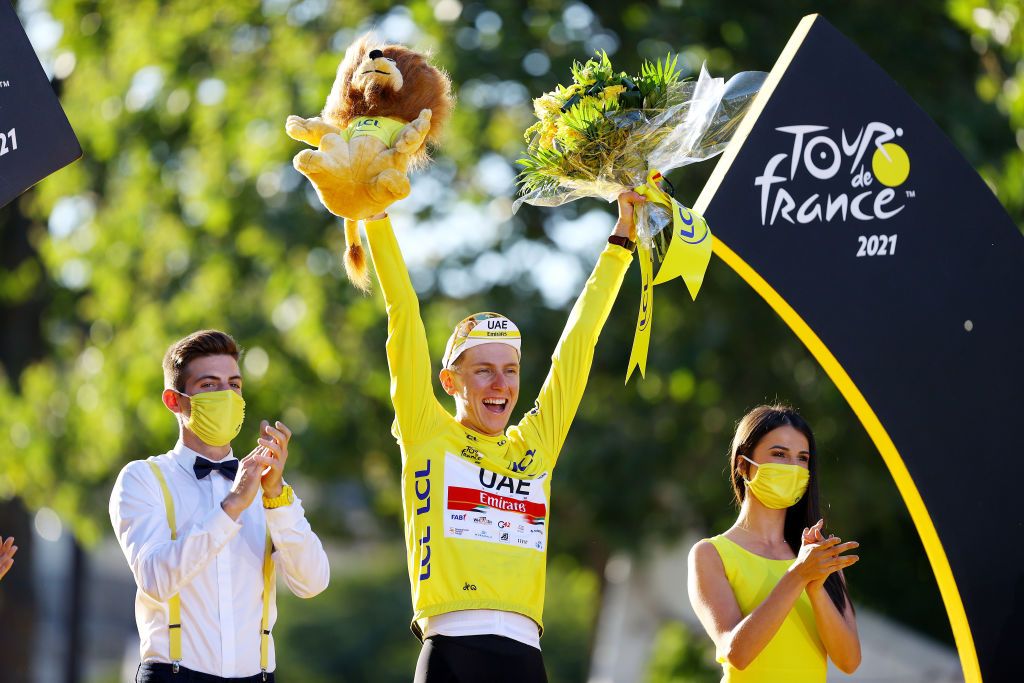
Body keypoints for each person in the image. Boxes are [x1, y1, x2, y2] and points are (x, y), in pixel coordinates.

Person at [359, 191, 644, 683]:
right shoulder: (427, 431)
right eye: (484, 371)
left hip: (525, 653)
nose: (500, 386)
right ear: (450, 382)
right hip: (450, 647)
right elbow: (402, 314)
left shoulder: (534, 445)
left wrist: (620, 243)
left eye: (510, 371)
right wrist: (376, 217)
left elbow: (579, 343)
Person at [109, 330, 330, 682]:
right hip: (174, 675)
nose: (226, 396)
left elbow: (313, 582)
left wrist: (277, 500)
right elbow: (155, 579)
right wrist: (231, 507)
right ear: (174, 401)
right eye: (209, 385)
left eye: (235, 385)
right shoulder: (142, 479)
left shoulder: (268, 487)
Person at [687, 404, 861, 681]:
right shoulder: (711, 554)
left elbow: (849, 661)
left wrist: (815, 588)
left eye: (802, 458)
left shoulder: (819, 557)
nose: (793, 468)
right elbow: (737, 653)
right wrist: (798, 576)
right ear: (743, 465)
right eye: (779, 454)